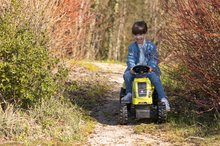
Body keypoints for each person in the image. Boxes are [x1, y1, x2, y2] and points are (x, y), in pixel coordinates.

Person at [121, 20, 170, 111]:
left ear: (145, 33)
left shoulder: (151, 46)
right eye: (136, 35)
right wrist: (132, 67)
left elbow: (153, 58)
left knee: (155, 79)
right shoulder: (132, 47)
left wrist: (151, 66)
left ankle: (163, 98)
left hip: (148, 70)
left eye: (141, 34)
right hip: (135, 70)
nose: (138, 37)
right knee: (127, 75)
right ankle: (129, 93)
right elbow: (130, 58)